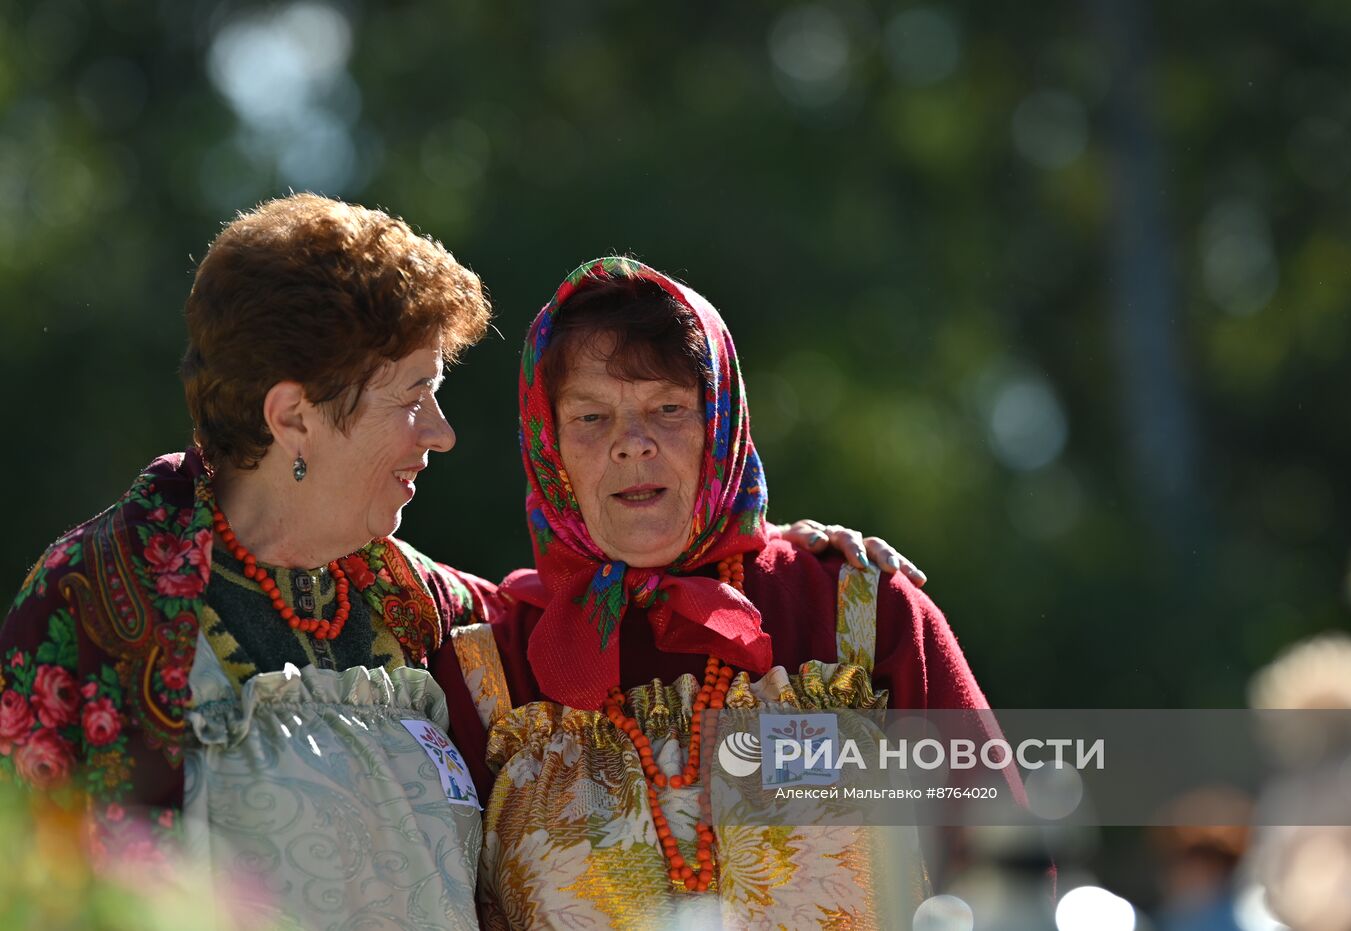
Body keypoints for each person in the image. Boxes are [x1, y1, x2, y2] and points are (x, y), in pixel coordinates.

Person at [0, 197, 913, 927]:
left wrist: (797, 558)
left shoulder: (416, 606)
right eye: (413, 398)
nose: (440, 432)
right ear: (293, 418)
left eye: (671, 411)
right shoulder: (102, 600)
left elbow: (620, 585)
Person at [455, 256, 998, 929]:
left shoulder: (859, 612)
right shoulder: (493, 662)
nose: (632, 443)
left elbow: (1000, 865)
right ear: (549, 445)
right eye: (592, 417)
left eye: (668, 408)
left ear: (721, 423)